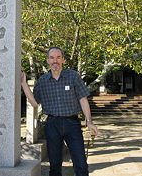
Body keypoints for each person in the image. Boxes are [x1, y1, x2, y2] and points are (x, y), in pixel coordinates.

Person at [21, 47, 98, 176]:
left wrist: (89, 122)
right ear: (47, 60)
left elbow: (83, 100)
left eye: (58, 58)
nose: (55, 61)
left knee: (81, 164)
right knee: (55, 165)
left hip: (72, 124)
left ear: (63, 59)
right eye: (52, 58)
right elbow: (34, 103)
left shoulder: (73, 76)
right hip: (52, 124)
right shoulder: (43, 81)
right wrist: (24, 84)